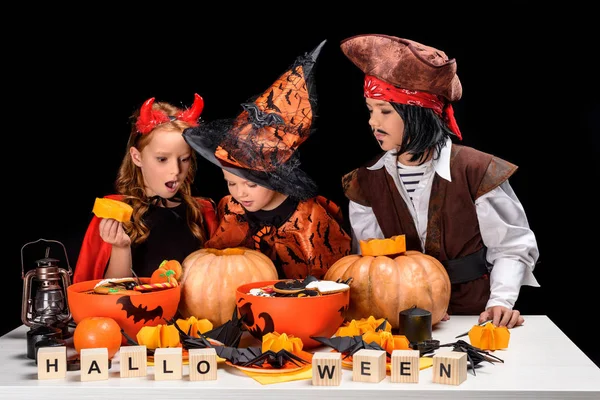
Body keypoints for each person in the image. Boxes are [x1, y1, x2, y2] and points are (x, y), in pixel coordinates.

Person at [339, 34, 539, 328]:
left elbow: (511, 246)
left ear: (418, 113)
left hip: (473, 315)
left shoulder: (476, 170)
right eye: (370, 110)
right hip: (401, 319)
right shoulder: (365, 182)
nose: (373, 122)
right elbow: (370, 266)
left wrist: (501, 302)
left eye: (385, 111)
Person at [183, 40, 352, 280]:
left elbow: (332, 280)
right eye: (231, 182)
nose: (240, 193)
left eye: (251, 184)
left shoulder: (310, 220)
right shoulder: (230, 209)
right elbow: (214, 266)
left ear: (276, 175)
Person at [73, 94, 218, 283]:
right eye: (162, 159)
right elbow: (109, 293)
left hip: (193, 314)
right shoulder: (115, 213)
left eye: (184, 159)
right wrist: (120, 248)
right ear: (137, 157)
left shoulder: (202, 213)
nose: (175, 171)